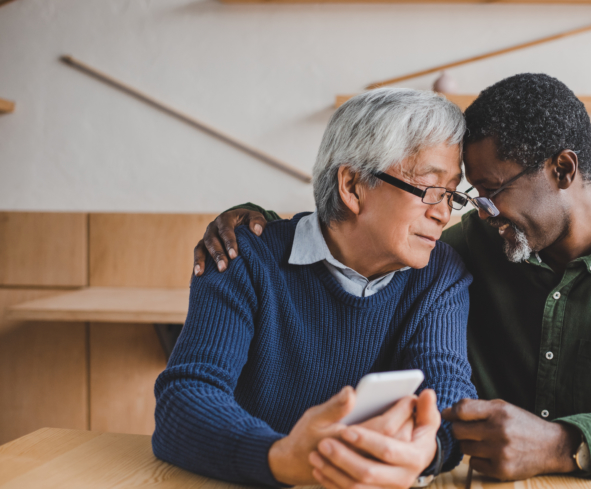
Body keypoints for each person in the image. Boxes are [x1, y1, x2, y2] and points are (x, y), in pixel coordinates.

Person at [192, 74, 591, 484]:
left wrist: (568, 443)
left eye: (486, 193)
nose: (468, 212)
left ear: (563, 170)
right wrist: (249, 225)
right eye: (464, 195)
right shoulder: (460, 248)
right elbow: (341, 229)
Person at [153, 87, 478, 488]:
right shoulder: (243, 257)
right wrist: (281, 458)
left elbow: (447, 388)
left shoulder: (440, 273)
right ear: (353, 186)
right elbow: (185, 398)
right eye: (430, 188)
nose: (443, 213)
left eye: (450, 193)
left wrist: (426, 451)